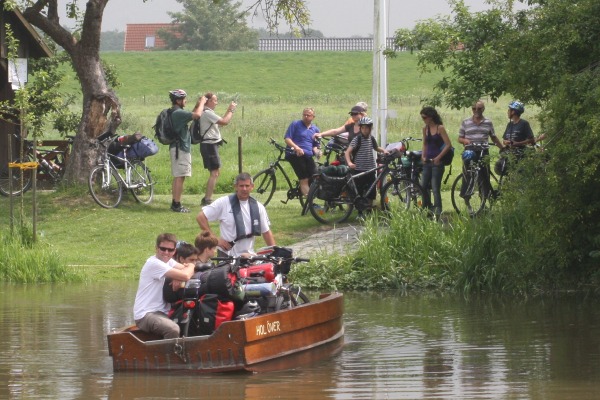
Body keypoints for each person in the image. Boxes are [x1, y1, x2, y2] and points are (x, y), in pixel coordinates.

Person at [196, 172, 275, 257]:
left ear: (252, 187)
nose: (244, 189)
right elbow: (200, 217)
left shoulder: (259, 207)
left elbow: (266, 232)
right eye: (241, 186)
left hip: (248, 255)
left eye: (247, 186)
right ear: (236, 187)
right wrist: (216, 240)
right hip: (226, 255)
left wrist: (275, 253)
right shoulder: (224, 202)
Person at [133, 233, 196, 339]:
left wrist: (178, 276)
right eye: (163, 249)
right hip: (146, 314)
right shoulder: (153, 263)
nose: (166, 252)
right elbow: (186, 275)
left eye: (170, 250)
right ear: (156, 248)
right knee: (173, 329)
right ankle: (169, 355)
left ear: (174, 251)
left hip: (161, 312)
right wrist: (191, 265)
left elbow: (189, 273)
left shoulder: (169, 261)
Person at [457, 100, 504, 209]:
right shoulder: (466, 122)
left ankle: (484, 201)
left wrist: (502, 148)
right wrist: (465, 141)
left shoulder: (488, 122)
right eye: (474, 108)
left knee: (484, 176)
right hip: (470, 152)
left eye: (479, 108)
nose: (476, 111)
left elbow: (493, 137)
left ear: (483, 109)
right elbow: (459, 138)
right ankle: (467, 199)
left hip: (483, 151)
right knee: (468, 174)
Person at [168, 89, 206, 213]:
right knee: (180, 176)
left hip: (177, 148)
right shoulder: (178, 113)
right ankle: (177, 205)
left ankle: (175, 202)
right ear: (178, 100)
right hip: (181, 149)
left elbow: (192, 115)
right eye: (184, 99)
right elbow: (197, 115)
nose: (185, 101)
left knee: (178, 176)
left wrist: (198, 104)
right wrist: (202, 103)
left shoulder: (175, 112)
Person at [198, 92, 237, 206]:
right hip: (210, 145)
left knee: (215, 172)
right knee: (214, 173)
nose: (217, 102)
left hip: (209, 145)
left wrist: (228, 111)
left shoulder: (207, 113)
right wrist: (231, 110)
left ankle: (207, 198)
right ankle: (207, 199)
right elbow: (225, 122)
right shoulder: (207, 113)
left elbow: (220, 122)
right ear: (208, 101)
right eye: (215, 100)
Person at [344, 117, 387, 216]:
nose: (364, 130)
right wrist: (350, 163)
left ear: (370, 128)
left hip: (371, 168)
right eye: (362, 128)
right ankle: (360, 211)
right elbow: (347, 152)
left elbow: (376, 148)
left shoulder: (371, 138)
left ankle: (369, 209)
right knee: (359, 191)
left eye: (366, 128)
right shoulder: (357, 139)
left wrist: (384, 150)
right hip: (359, 169)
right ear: (360, 129)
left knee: (371, 190)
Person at [420, 107, 452, 220]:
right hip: (427, 161)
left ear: (431, 117)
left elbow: (448, 144)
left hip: (437, 162)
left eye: (424, 117)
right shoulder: (425, 129)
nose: (423, 120)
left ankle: (437, 211)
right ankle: (427, 207)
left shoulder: (440, 128)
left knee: (435, 187)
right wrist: (423, 156)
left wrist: (439, 157)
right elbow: (424, 143)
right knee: (423, 186)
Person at [284, 107, 321, 196]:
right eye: (304, 114)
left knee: (316, 176)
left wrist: (317, 152)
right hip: (295, 154)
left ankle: (305, 192)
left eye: (308, 115)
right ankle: (309, 203)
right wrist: (296, 148)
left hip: (308, 156)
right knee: (304, 178)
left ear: (313, 117)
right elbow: (287, 139)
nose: (305, 116)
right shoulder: (295, 124)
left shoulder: (315, 130)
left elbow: (315, 146)